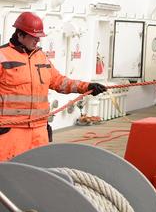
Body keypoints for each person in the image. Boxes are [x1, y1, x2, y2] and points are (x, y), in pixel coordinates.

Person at [0, 12, 107, 161]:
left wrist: (87, 86)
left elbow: (59, 81)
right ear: (20, 35)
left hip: (39, 130)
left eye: (38, 37)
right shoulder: (2, 56)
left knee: (40, 172)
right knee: (8, 175)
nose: (37, 40)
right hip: (11, 131)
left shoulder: (41, 57)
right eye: (33, 36)